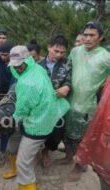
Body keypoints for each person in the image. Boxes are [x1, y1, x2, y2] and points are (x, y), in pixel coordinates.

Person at [8, 46, 70, 190]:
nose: (17, 68)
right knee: (28, 156)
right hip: (48, 117)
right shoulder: (37, 68)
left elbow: (23, 108)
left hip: (36, 126)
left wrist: (13, 120)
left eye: (19, 65)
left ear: (27, 59)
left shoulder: (26, 83)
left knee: (22, 162)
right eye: (14, 65)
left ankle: (27, 186)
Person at [61, 21, 110, 180]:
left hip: (89, 105)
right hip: (69, 101)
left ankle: (79, 166)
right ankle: (68, 156)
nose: (87, 38)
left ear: (100, 37)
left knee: (85, 138)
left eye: (92, 35)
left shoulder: (106, 56)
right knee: (67, 132)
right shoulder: (75, 51)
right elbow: (67, 71)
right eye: (85, 35)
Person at [38, 35, 71, 168]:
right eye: (56, 51)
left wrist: (67, 86)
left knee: (57, 131)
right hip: (42, 105)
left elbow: (70, 79)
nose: (58, 55)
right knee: (40, 129)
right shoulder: (38, 65)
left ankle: (46, 150)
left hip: (59, 106)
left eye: (62, 52)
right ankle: (37, 149)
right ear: (49, 47)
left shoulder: (67, 63)